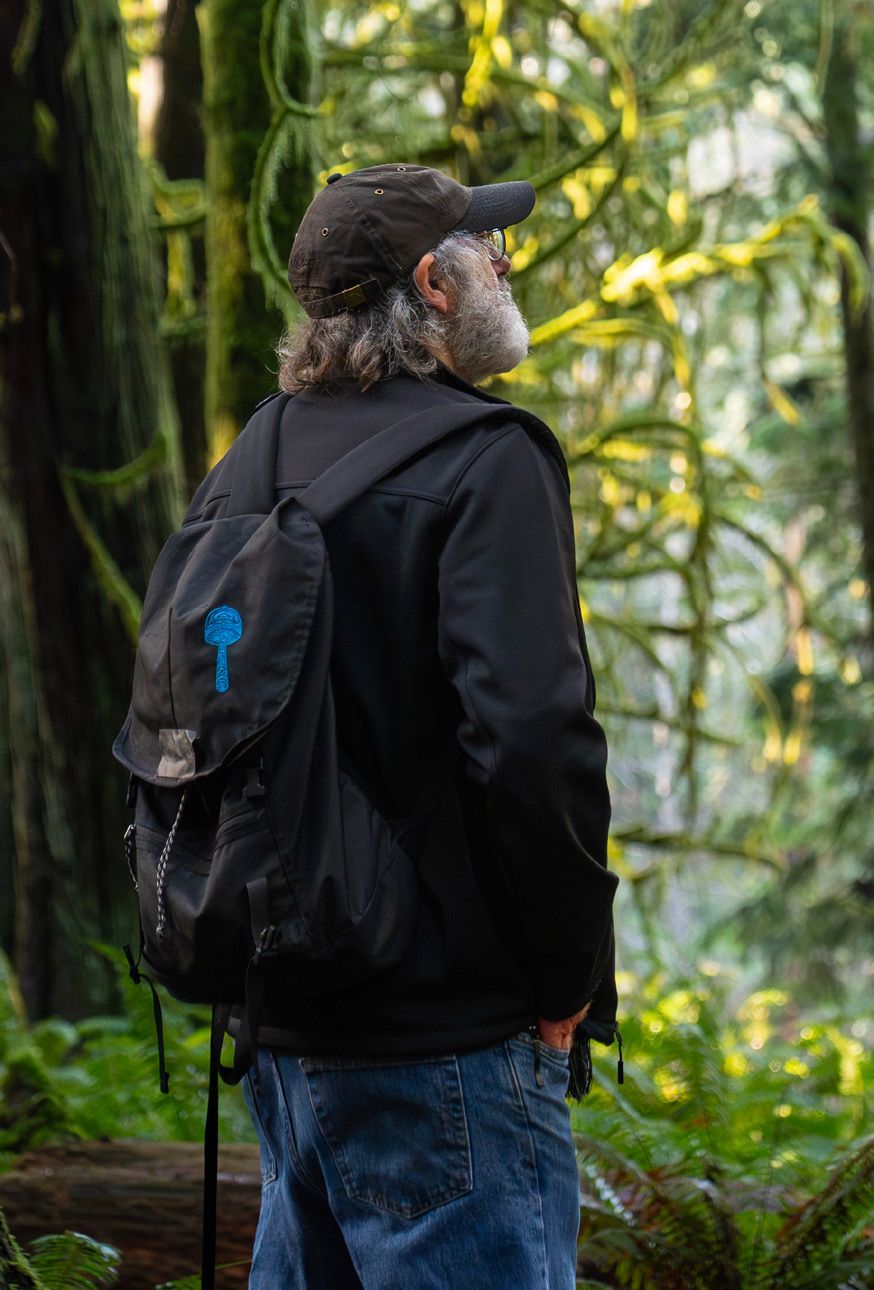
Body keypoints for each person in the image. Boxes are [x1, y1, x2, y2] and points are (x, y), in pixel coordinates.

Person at [227, 164, 619, 1289]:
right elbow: (534, 742)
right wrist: (565, 978)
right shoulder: (486, 458)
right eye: (487, 249)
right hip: (446, 1037)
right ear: (433, 287)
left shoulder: (252, 458)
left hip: (286, 1022)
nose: (504, 265)